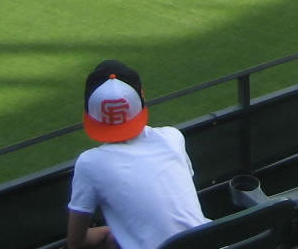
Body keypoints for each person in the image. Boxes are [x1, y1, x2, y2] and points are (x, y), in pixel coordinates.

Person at [66, 60, 207, 249]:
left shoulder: (89, 163)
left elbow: (75, 242)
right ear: (142, 96)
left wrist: (109, 231)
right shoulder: (172, 137)